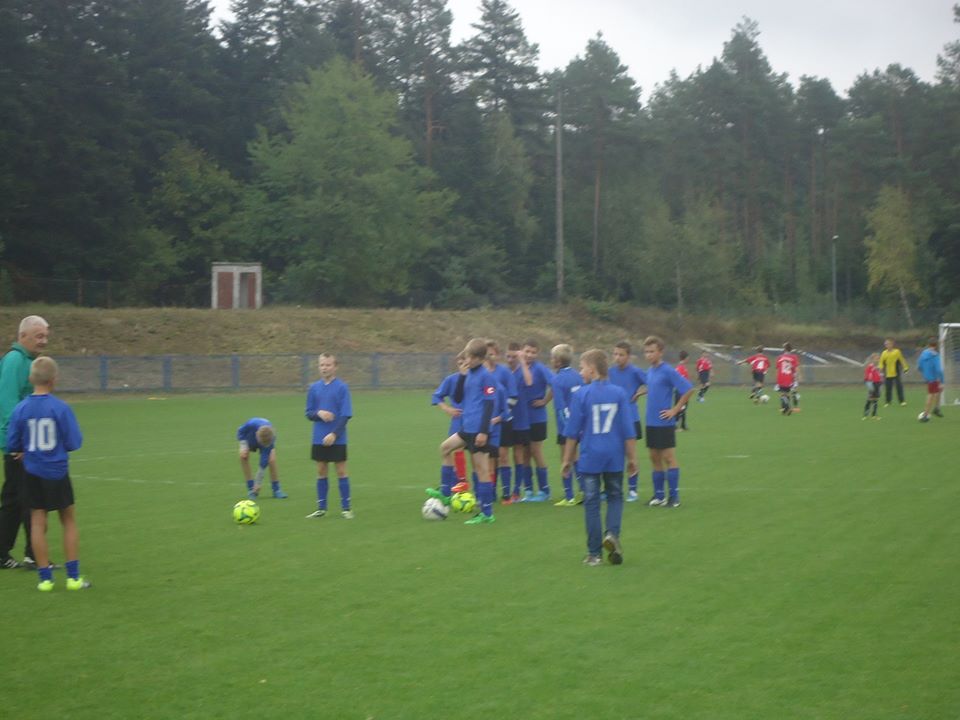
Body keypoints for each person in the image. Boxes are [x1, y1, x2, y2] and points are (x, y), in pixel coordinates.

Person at [5, 357, 87, 591]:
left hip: (32, 472)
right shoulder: (60, 408)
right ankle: (73, 578)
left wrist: (24, 449)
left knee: (37, 522)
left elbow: (12, 443)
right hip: (57, 471)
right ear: (54, 380)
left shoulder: (21, 408)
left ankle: (45, 580)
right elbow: (74, 442)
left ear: (31, 379)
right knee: (68, 520)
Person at [562, 349, 637, 566]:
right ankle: (612, 534)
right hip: (614, 455)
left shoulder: (581, 394)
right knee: (615, 497)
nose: (580, 372)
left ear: (592, 370)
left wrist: (567, 460)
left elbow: (572, 433)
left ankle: (594, 554)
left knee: (592, 503)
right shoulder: (619, 393)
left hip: (590, 456)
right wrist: (632, 459)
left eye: (582, 368)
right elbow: (628, 430)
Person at [426, 338, 498, 525]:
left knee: (481, 470)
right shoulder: (468, 374)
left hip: (479, 430)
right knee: (445, 448)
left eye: (471, 357)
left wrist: (483, 431)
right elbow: (458, 397)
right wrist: (462, 376)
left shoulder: (486, 376)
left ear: (480, 358)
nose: (468, 360)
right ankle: (446, 493)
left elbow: (490, 404)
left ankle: (487, 513)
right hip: (467, 428)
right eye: (467, 356)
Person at [0, 315, 48, 570]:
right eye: (39, 336)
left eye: (46, 336)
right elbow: (8, 403)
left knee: (15, 499)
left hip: (28, 443)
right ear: (23, 336)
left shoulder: (29, 361)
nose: (44, 340)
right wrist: (17, 443)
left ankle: (3, 554)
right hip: (20, 445)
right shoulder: (15, 361)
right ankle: (33, 555)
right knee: (30, 498)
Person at [643, 336, 695, 508]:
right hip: (650, 421)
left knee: (668, 457)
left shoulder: (668, 370)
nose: (648, 355)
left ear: (660, 352)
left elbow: (688, 389)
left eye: (652, 351)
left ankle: (674, 497)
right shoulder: (650, 371)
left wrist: (675, 409)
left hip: (664, 422)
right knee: (654, 457)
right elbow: (655, 388)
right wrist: (640, 393)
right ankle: (659, 496)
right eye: (646, 352)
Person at [305, 353, 353, 519]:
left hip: (338, 438)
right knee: (321, 471)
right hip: (319, 437)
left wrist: (334, 434)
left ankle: (346, 509)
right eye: (322, 365)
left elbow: (346, 415)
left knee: (341, 471)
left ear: (335, 367)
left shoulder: (342, 388)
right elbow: (309, 413)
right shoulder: (314, 388)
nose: (324, 368)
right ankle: (321, 508)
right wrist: (319, 413)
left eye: (328, 365)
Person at [608, 341, 647, 502]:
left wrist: (639, 393)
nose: (617, 357)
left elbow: (653, 383)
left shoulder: (635, 372)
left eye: (621, 355)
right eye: (615, 354)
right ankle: (613, 489)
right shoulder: (610, 372)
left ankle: (632, 490)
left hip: (631, 418)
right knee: (614, 455)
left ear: (628, 356)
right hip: (613, 420)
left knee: (631, 455)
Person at [518, 339, 553, 501]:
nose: (530, 355)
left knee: (535, 451)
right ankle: (528, 490)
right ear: (522, 351)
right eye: (527, 351)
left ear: (537, 354)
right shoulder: (518, 368)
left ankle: (545, 491)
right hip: (522, 418)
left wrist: (545, 401)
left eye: (533, 352)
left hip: (537, 418)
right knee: (525, 454)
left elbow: (555, 384)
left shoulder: (540, 369)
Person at [484, 341, 519, 504]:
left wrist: (499, 417)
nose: (489, 357)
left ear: (497, 355)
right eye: (486, 354)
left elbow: (513, 397)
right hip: (486, 423)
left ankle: (506, 494)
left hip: (503, 421)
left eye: (491, 354)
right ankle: (490, 492)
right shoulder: (480, 374)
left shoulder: (504, 373)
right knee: (490, 458)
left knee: (503, 456)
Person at [549, 343, 583, 506]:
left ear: (558, 361)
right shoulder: (578, 376)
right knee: (577, 458)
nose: (551, 361)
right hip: (580, 423)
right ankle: (584, 491)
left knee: (566, 459)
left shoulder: (557, 380)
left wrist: (568, 429)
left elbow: (561, 408)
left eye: (552, 358)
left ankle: (569, 496)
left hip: (566, 427)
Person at [431, 353, 469, 486]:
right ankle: (458, 484)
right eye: (460, 364)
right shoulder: (451, 380)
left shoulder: (477, 379)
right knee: (455, 450)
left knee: (479, 457)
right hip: (458, 422)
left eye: (465, 364)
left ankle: (463, 484)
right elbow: (436, 396)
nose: (463, 367)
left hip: (475, 421)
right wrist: (447, 408)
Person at [504, 342, 531, 503]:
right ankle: (504, 490)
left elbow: (529, 382)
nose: (510, 360)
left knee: (518, 453)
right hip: (504, 419)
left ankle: (516, 490)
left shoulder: (523, 371)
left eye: (514, 357)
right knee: (502, 454)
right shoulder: (503, 371)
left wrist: (522, 362)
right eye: (508, 356)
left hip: (521, 419)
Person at [236, 418, 288, 499]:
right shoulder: (251, 424)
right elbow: (240, 431)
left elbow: (263, 462)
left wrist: (258, 482)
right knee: (243, 457)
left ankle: (276, 489)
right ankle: (251, 489)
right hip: (248, 439)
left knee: (271, 460)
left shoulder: (271, 437)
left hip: (264, 443)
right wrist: (243, 446)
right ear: (257, 434)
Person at [917, 337, 945, 423]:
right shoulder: (935, 355)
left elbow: (919, 366)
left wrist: (925, 372)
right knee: (931, 395)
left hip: (928, 377)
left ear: (928, 344)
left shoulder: (923, 353)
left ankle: (936, 408)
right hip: (934, 378)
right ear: (936, 346)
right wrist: (942, 381)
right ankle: (925, 415)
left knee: (938, 391)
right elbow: (939, 370)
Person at [879, 338, 909, 407]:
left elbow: (902, 360)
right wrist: (880, 367)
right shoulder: (884, 353)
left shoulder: (897, 352)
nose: (887, 345)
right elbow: (881, 362)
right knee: (888, 388)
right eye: (886, 344)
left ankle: (902, 401)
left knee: (899, 387)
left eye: (888, 344)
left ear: (892, 344)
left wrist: (905, 368)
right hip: (887, 373)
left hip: (896, 373)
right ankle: (887, 402)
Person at [775, 343, 801, 416]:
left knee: (783, 394)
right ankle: (789, 408)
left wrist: (777, 378)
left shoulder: (780, 357)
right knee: (789, 392)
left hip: (781, 377)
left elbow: (777, 369)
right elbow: (796, 368)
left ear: (784, 349)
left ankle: (785, 408)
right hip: (790, 377)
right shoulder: (794, 357)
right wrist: (799, 376)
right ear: (791, 349)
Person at [863, 354, 883, 420]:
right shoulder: (870, 366)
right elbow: (867, 376)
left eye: (878, 358)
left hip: (878, 384)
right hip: (872, 384)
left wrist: (881, 382)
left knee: (876, 400)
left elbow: (880, 375)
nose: (877, 360)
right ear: (872, 359)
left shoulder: (879, 367)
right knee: (870, 399)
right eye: (876, 358)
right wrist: (869, 384)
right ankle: (865, 414)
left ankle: (874, 415)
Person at [674, 350, 691, 431]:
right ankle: (675, 425)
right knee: (680, 408)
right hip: (681, 392)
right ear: (686, 358)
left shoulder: (681, 367)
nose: (689, 359)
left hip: (683, 391)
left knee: (683, 408)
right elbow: (680, 381)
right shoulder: (680, 368)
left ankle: (683, 425)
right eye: (688, 357)